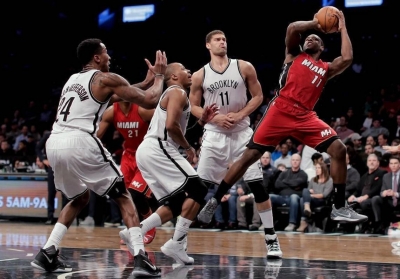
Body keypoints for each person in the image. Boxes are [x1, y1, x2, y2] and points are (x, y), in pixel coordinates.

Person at [198, 11, 368, 247]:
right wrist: (316, 24)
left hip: (305, 115)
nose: (310, 38)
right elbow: (291, 28)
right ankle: (215, 199)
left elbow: (347, 58)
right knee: (249, 157)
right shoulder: (293, 55)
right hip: (280, 109)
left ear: (321, 46)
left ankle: (339, 206)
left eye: (315, 39)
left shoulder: (326, 68)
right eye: (307, 38)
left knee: (339, 149)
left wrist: (343, 26)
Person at [30, 38, 167, 277]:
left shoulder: (72, 80)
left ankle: (47, 252)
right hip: (80, 140)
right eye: (106, 53)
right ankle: (140, 257)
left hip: (56, 141)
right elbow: (151, 99)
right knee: (123, 195)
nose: (109, 57)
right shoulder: (105, 78)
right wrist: (158, 77)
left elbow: (111, 95)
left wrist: (142, 82)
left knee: (79, 198)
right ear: (96, 57)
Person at [189, 30, 282, 258]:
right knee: (199, 187)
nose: (223, 42)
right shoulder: (200, 74)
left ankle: (271, 238)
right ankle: (179, 238)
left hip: (241, 133)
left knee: (257, 185)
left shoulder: (244, 66)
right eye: (218, 40)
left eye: (225, 39)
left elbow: (258, 97)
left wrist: (240, 115)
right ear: (208, 45)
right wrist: (214, 117)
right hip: (214, 132)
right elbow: (193, 106)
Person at [123, 62, 218, 265]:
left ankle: (136, 231)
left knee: (175, 204)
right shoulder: (178, 92)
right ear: (174, 77)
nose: (189, 71)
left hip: (151, 149)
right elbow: (171, 127)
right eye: (184, 69)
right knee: (199, 189)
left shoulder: (177, 95)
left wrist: (201, 123)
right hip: (159, 148)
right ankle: (176, 242)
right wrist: (190, 148)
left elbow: (178, 131)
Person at [97, 70, 158, 244]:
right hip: (128, 155)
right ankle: (133, 230)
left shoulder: (143, 110)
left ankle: (149, 226)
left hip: (146, 155)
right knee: (122, 194)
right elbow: (97, 136)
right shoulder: (111, 111)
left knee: (136, 193)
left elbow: (166, 119)